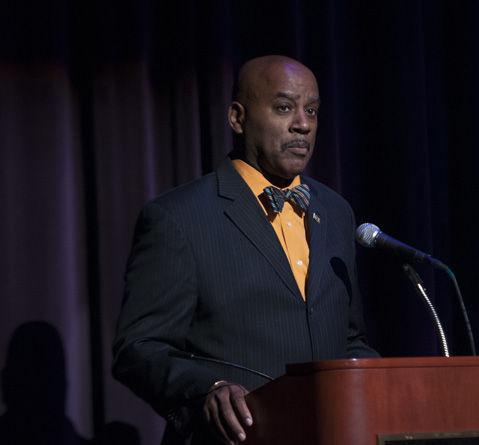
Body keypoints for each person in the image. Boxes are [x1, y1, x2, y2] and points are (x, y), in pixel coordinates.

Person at [112, 55, 378, 445]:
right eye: (284, 108)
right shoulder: (179, 218)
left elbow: (350, 340)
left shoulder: (336, 212)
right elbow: (138, 349)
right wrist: (208, 388)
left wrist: (390, 387)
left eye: (312, 110)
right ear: (237, 118)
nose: (303, 124)